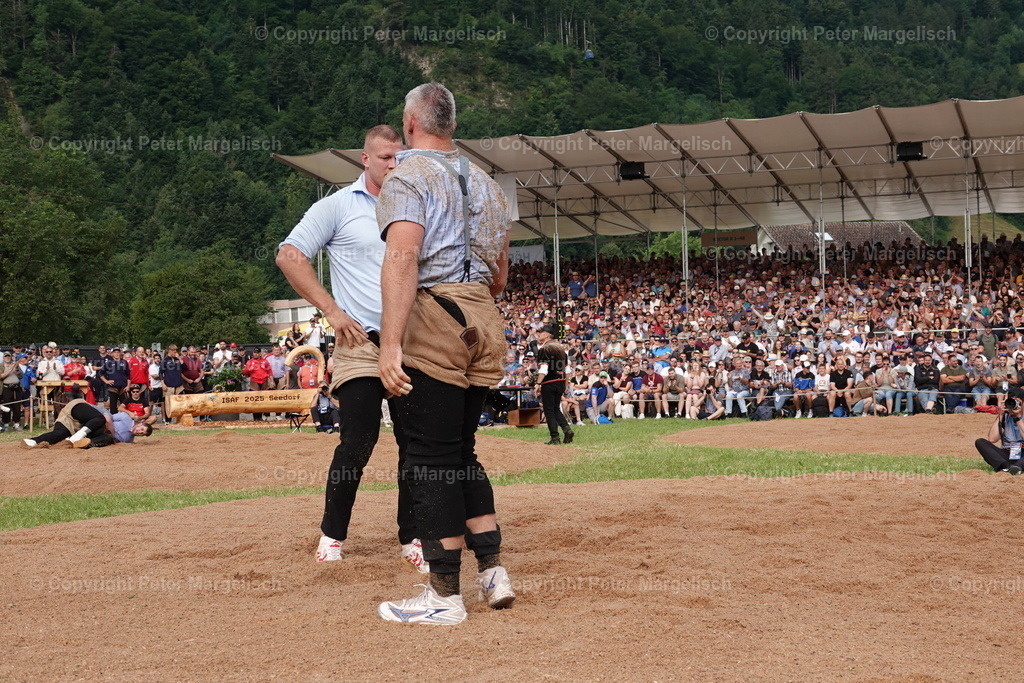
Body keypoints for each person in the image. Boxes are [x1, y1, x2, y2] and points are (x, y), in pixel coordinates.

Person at [376, 82, 514, 624]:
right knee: (463, 453)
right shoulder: (488, 184)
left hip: (435, 318)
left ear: (410, 124)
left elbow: (402, 259)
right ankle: (493, 573)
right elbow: (500, 276)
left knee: (429, 459)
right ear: (452, 124)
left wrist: (390, 344)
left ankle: (444, 595)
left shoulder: (406, 176)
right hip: (483, 316)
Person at [278, 124, 427, 569]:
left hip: (412, 342)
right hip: (360, 341)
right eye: (385, 157)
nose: (394, 165)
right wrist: (332, 311)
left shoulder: (418, 203)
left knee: (415, 443)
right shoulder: (338, 205)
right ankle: (332, 535)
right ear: (365, 159)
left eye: (400, 157)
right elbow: (289, 255)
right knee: (358, 440)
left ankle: (412, 537)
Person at [22, 393, 152, 449]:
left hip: (75, 423)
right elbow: (108, 416)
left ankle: (33, 441)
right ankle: (76, 438)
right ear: (140, 424)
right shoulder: (126, 418)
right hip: (81, 409)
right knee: (101, 419)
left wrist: (109, 437)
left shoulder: (128, 440)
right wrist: (111, 430)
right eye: (142, 429)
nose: (140, 432)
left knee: (60, 435)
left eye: (143, 433)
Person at [533, 325, 574, 445]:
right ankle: (567, 429)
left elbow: (544, 369)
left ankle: (555, 438)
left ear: (547, 335)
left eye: (541, 333)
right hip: (560, 382)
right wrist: (566, 385)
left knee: (549, 410)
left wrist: (538, 383)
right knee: (555, 408)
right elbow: (567, 370)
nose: (539, 335)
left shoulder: (545, 349)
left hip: (549, 383)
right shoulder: (561, 349)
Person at [975, 397, 1024, 474]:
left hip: (1022, 455)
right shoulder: (1004, 417)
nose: (1014, 405)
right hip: (1007, 453)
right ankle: (1008, 467)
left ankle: (1018, 467)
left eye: (1018, 402)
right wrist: (1000, 415)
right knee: (980, 442)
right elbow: (992, 439)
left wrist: (1017, 418)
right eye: (1010, 402)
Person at [242, 348, 272, 421]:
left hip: (264, 381)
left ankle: (261, 416)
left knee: (263, 399)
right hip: (254, 381)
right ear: (253, 353)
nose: (256, 354)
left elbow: (269, 371)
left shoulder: (265, 361)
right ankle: (255, 417)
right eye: (254, 352)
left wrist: (271, 381)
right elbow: (244, 372)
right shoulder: (250, 362)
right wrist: (249, 369)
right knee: (255, 399)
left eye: (257, 352)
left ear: (260, 353)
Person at [99, 347, 130, 412]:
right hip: (113, 388)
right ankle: (114, 418)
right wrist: (106, 381)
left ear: (120, 353)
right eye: (115, 352)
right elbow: (100, 373)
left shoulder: (124, 362)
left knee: (124, 406)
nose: (116, 354)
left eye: (118, 352)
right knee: (113, 406)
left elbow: (128, 375)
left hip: (123, 388)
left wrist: (128, 386)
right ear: (112, 354)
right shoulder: (108, 363)